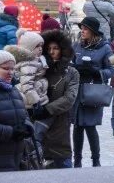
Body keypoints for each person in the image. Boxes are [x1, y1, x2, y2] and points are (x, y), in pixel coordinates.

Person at [71, 16, 114, 167]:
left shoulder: (105, 48)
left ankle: (96, 160)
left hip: (93, 92)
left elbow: (112, 69)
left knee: (90, 126)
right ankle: (77, 160)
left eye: (85, 28)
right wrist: (75, 68)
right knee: (77, 126)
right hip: (77, 91)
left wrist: (97, 73)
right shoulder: (76, 46)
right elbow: (69, 65)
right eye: (81, 28)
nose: (82, 31)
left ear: (93, 32)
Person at [37, 29, 80, 169]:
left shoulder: (71, 72)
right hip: (38, 122)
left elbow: (69, 98)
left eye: (55, 48)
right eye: (48, 48)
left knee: (62, 158)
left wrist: (47, 110)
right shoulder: (39, 70)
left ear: (63, 49)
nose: (51, 52)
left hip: (60, 122)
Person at [4, 30, 49, 117]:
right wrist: (36, 102)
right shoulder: (29, 63)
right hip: (30, 101)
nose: (40, 48)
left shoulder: (36, 60)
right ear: (29, 48)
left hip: (34, 97)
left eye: (41, 46)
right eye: (36, 46)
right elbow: (27, 84)